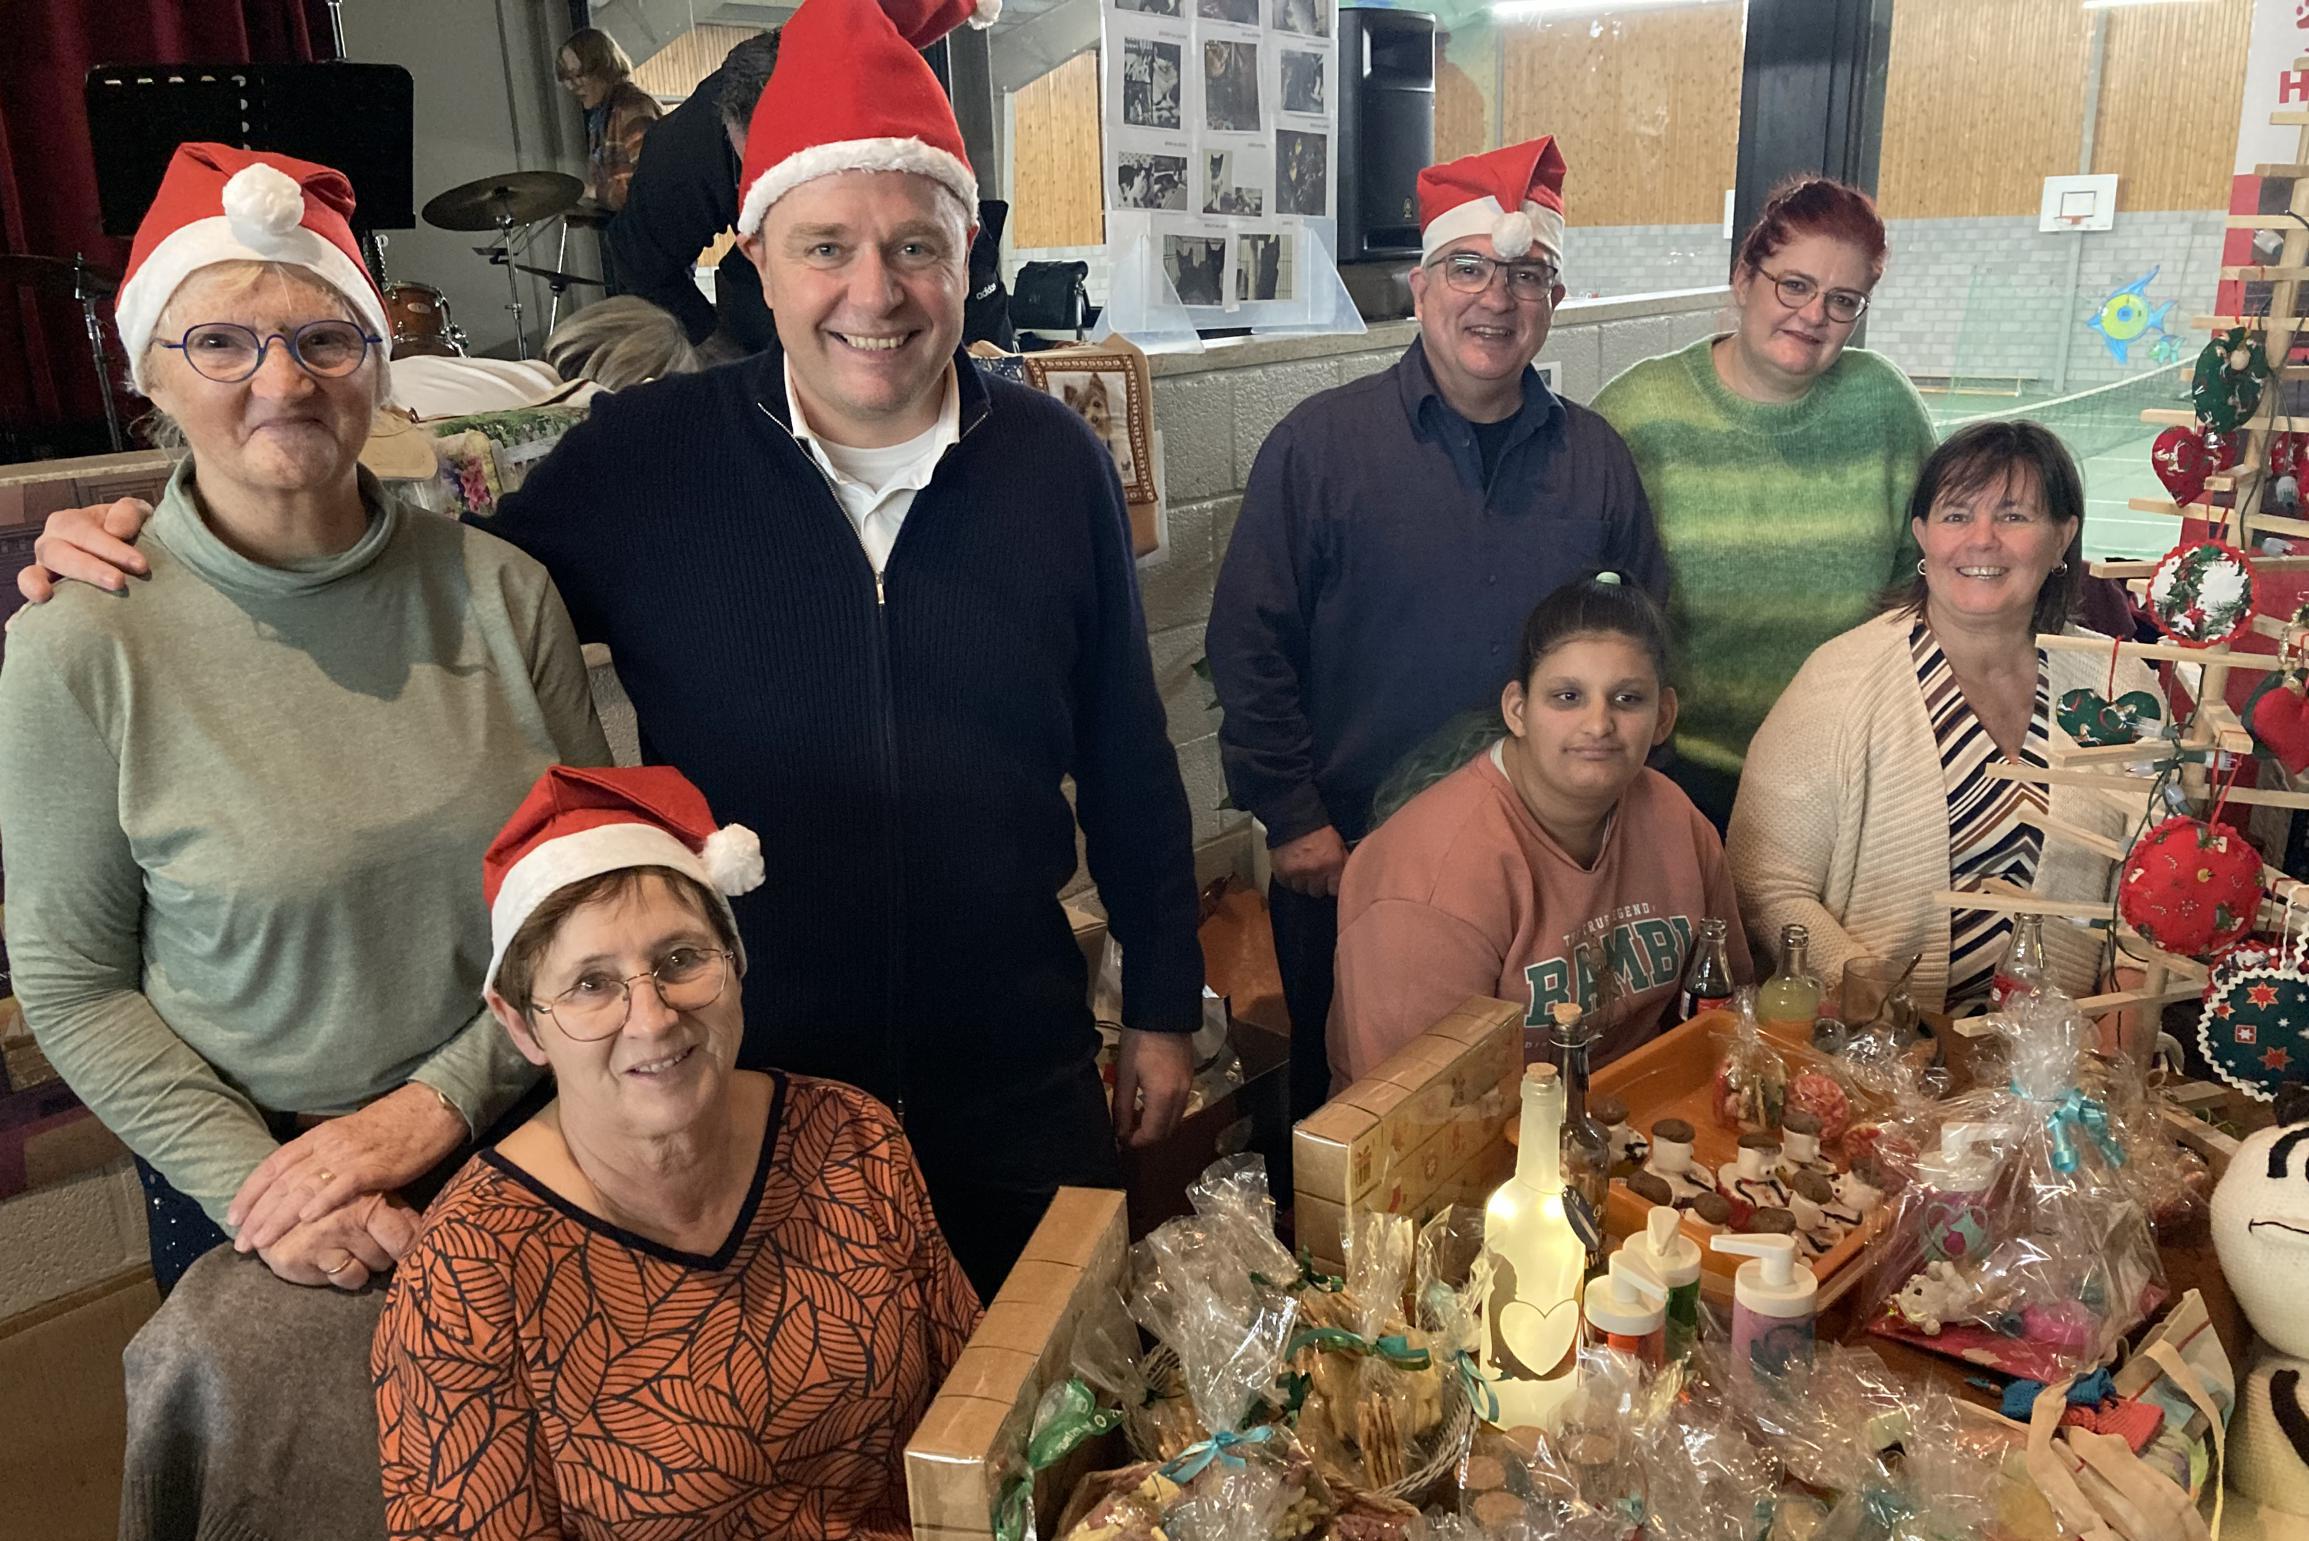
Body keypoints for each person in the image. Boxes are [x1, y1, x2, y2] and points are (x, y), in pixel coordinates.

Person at [13, 0, 1202, 1300]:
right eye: (826, 246)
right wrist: (142, 544)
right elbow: (393, 564)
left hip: (1018, 1066)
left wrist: (1160, 1006)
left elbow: (1130, 758)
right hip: (749, 1097)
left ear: (967, 252)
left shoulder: (1052, 465)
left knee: (1064, 1423)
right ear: (756, 249)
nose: (874, 291)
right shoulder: (645, 464)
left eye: (915, 244)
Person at [0, 144, 609, 1296]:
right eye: (221, 342)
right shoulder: (80, 643)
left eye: (325, 339)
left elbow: (586, 892)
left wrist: (442, 1102)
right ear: (152, 378)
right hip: (261, 1175)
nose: (282, 381)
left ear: (381, 368)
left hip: (528, 1120)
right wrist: (263, 1187)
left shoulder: (500, 590)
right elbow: (74, 984)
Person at [375, 764, 977, 1538]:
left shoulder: (849, 1137)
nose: (651, 1017)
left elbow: (979, 1409)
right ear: (522, 1025)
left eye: (680, 960)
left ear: (733, 962)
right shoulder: (469, 1272)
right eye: (591, 983)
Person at [1206, 136, 1665, 1120]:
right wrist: (1290, 818)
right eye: (1468, 267)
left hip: (1550, 874)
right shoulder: (1320, 448)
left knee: (1538, 1104)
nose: (1494, 299)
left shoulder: (1594, 463)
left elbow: (1638, 639)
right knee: (1359, 1111)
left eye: (1526, 275)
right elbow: (1249, 645)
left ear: (1552, 300)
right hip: (1351, 857)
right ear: (1420, 287)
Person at [1728, 420, 2153, 1014]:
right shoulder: (1838, 682)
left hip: (2065, 1065)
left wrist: (2121, 1019)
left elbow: (2153, 881)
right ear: (1922, 535)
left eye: (2013, 516)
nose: (1982, 540)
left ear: (2062, 538)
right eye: (1956, 516)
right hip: (1876, 1059)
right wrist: (1890, 1015)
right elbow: (1765, 890)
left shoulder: (2121, 685)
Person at [1591, 176, 1937, 832]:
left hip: (1839, 774)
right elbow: (1588, 601)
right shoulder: (1638, 413)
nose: (1812, 316)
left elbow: (1918, 582)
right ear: (1745, 278)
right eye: (1794, 284)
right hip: (1666, 774)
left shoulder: (1884, 406)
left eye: (1842, 301)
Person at [1329, 576, 1744, 1087]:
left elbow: (1727, 1004)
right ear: (1518, 711)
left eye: (1628, 699)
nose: (1598, 724)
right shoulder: (1429, 883)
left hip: (1648, 1117)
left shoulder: (1675, 817)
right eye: (1567, 696)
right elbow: (1421, 1119)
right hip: (1483, 1146)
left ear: (1664, 717)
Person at [605, 28, 780, 353]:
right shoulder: (685, 149)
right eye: (757, 169)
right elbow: (638, 259)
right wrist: (715, 347)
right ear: (729, 128)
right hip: (753, 291)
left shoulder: (883, 98)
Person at [557, 27, 663, 216]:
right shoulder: (601, 119)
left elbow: (646, 189)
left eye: (578, 75)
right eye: (566, 78)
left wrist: (592, 192)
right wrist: (588, 216)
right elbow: (623, 208)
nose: (571, 86)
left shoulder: (632, 109)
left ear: (603, 67)